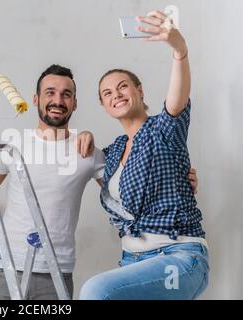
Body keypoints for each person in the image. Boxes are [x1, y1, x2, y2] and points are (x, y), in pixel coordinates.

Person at [0, 64, 106, 299]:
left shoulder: (87, 151)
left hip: (55, 273)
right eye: (50, 92)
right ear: (36, 99)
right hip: (4, 267)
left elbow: (121, 194)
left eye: (66, 94)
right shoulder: (14, 144)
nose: (58, 100)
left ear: (74, 103)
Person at [79, 10, 209, 300]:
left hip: (178, 259)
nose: (116, 94)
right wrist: (84, 134)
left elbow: (176, 101)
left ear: (138, 91)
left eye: (122, 86)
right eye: (107, 93)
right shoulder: (112, 154)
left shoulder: (163, 129)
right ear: (104, 106)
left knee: (95, 292)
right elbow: (96, 169)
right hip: (131, 260)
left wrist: (179, 51)